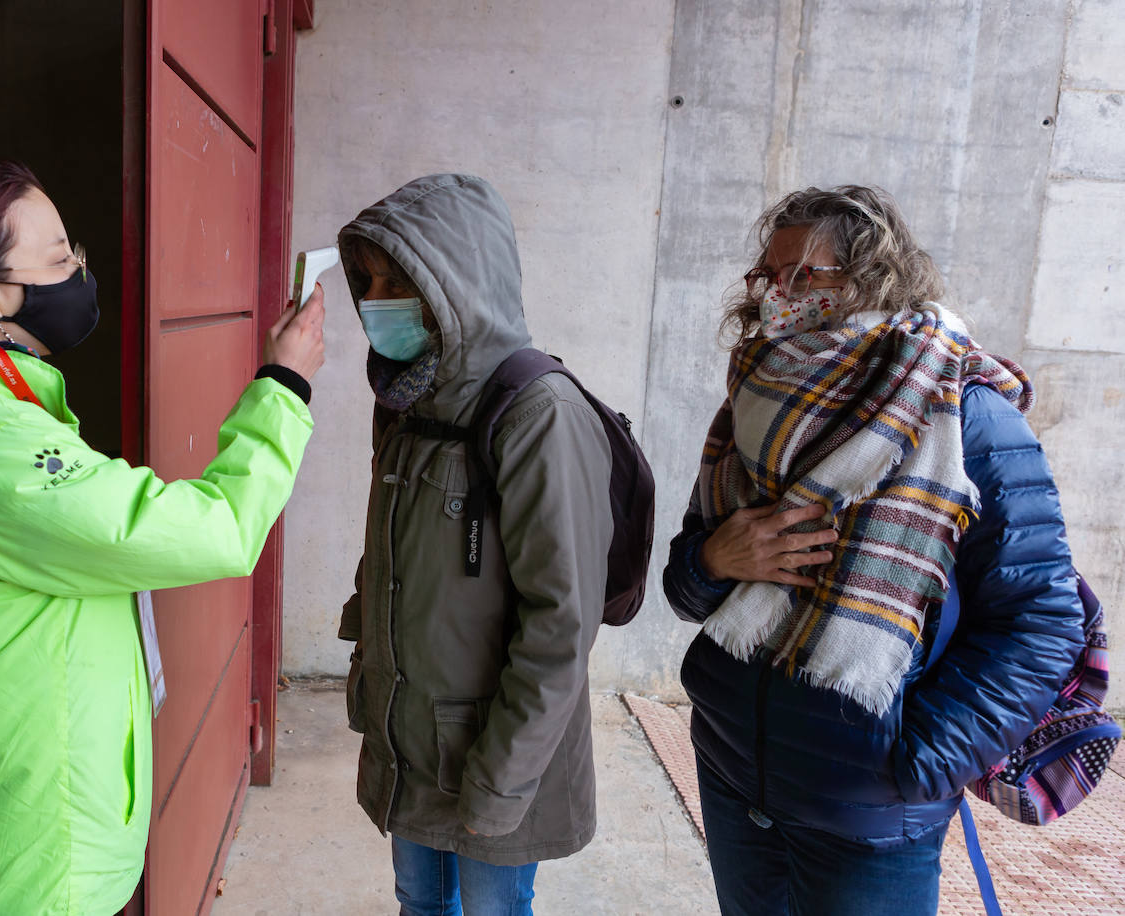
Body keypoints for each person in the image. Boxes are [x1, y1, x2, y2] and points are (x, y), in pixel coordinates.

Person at [0, 159, 325, 915]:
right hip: (36, 864)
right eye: (57, 259)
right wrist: (285, 386)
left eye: (74, 251)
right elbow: (216, 530)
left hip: (13, 835)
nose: (79, 271)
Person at [662, 185, 1085, 915]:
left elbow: (1040, 621)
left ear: (870, 279)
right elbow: (686, 583)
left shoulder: (961, 413)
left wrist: (916, 762)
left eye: (803, 275)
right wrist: (713, 562)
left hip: (866, 814)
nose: (777, 295)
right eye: (768, 275)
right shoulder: (752, 404)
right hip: (732, 771)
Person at [336, 173, 613, 916]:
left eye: (401, 278)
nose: (377, 298)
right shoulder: (405, 401)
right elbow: (387, 563)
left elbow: (561, 624)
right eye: (370, 279)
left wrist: (500, 781)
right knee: (419, 905)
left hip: (495, 752)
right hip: (414, 736)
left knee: (492, 911)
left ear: (456, 282)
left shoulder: (539, 416)